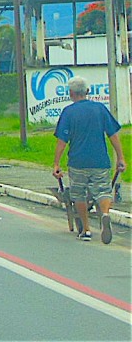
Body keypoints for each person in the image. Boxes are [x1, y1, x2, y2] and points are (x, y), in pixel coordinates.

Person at [52, 76, 126, 244]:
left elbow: (62, 141)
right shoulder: (100, 109)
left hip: (78, 161)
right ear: (87, 91)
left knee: (78, 194)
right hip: (100, 160)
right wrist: (120, 157)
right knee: (103, 191)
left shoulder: (68, 112)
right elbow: (113, 135)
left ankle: (86, 229)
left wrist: (56, 163)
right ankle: (105, 214)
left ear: (71, 93)